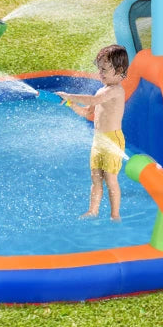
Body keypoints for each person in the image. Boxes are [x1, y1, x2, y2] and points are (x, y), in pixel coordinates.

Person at [57, 44, 129, 221]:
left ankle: (115, 215)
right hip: (98, 141)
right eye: (99, 70)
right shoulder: (102, 89)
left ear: (119, 70)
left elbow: (95, 100)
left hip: (112, 140)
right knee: (96, 178)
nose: (100, 74)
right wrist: (72, 105)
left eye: (104, 70)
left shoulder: (116, 91)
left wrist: (70, 95)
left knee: (110, 179)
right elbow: (87, 112)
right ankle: (93, 211)